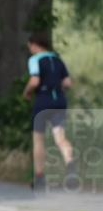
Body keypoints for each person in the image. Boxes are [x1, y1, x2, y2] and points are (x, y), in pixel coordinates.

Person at [23, 31, 75, 192]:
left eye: (29, 47)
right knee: (60, 137)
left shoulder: (34, 60)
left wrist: (27, 92)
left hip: (43, 100)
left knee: (38, 139)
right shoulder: (58, 60)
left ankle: (39, 178)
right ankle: (70, 166)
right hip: (59, 100)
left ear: (33, 44)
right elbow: (67, 83)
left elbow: (35, 80)